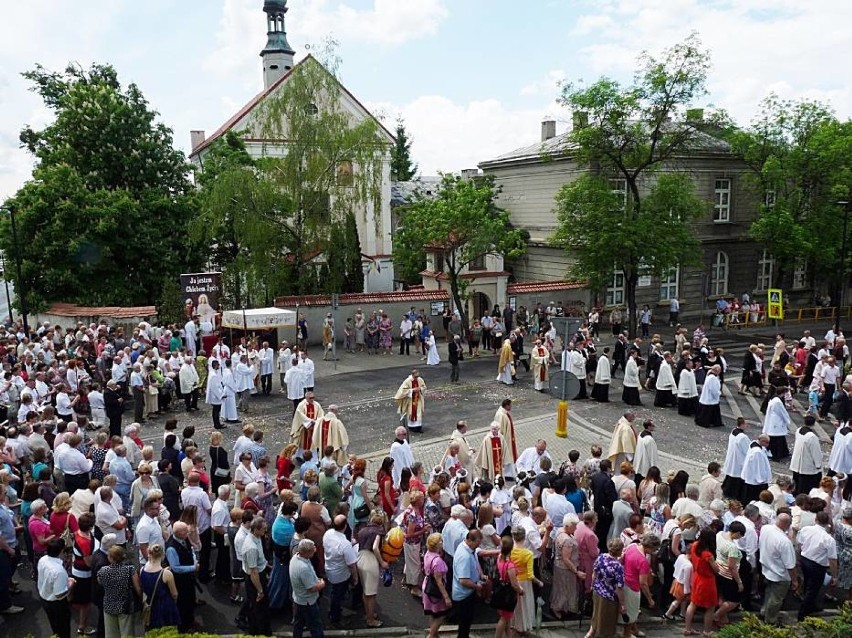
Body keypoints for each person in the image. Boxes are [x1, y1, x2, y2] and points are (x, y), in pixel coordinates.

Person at [797, 510, 838, 621]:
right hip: (817, 565)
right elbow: (832, 559)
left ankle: (810, 605)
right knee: (813, 589)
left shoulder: (805, 529)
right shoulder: (829, 539)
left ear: (815, 519)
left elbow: (800, 544)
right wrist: (834, 576)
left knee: (807, 584)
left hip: (805, 559)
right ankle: (802, 613)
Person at [759, 513, 797, 625]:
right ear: (787, 525)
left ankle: (764, 612)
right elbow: (790, 565)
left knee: (768, 593)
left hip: (766, 568)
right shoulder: (785, 542)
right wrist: (794, 580)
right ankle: (771, 621)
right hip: (779, 575)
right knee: (776, 599)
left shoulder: (766, 528)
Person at [98, 545, 141, 638]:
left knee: (110, 634)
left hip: (108, 605)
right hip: (125, 605)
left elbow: (100, 582)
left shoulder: (103, 571)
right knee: (127, 633)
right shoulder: (129, 569)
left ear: (111, 558)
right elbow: (137, 588)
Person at [682, 527, 718, 637]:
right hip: (707, 581)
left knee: (693, 603)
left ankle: (687, 628)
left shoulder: (695, 545)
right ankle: (707, 631)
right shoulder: (708, 555)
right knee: (710, 607)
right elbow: (716, 569)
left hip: (697, 577)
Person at [622, 533, 659, 638]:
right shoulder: (643, 561)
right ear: (650, 547)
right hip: (633, 587)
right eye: (654, 549)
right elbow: (643, 583)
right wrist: (650, 599)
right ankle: (627, 634)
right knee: (632, 612)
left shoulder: (632, 546)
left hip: (624, 581)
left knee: (630, 610)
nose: (654, 552)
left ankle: (634, 629)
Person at [587, 538, 626, 638]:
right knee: (608, 621)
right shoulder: (618, 567)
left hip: (597, 591)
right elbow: (619, 588)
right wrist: (622, 604)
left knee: (596, 614)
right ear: (620, 551)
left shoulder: (601, 557)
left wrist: (592, 585)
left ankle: (590, 634)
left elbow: (594, 573)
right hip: (609, 597)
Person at [39, 538, 76, 638]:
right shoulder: (58, 571)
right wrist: (71, 584)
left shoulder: (43, 559)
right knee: (63, 629)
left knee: (55, 626)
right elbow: (59, 594)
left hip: (44, 597)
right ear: (61, 551)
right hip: (57, 604)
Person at [356, 511, 387, 629]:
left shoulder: (363, 530)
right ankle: (371, 619)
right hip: (370, 560)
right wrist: (382, 562)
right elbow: (375, 547)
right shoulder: (378, 531)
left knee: (365, 591)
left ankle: (368, 613)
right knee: (372, 593)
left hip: (360, 557)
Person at [165, 521, 198, 633]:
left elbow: (191, 550)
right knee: (182, 603)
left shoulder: (184, 539)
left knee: (190, 599)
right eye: (185, 531)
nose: (188, 533)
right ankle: (184, 626)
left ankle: (190, 620)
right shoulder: (171, 548)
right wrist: (193, 568)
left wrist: (194, 559)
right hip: (180, 580)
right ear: (178, 533)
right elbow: (175, 568)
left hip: (188, 578)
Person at [290, 538, 326, 638]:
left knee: (298, 624)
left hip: (298, 599)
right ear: (306, 552)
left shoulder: (295, 558)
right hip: (307, 601)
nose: (315, 550)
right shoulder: (303, 568)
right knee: (315, 625)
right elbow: (311, 588)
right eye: (312, 550)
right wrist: (322, 584)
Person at [551, 513, 584, 620]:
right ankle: (557, 608)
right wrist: (576, 571)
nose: (576, 528)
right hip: (565, 569)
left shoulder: (559, 531)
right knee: (564, 589)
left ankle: (562, 607)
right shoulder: (567, 540)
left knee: (561, 588)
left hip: (558, 565)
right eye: (574, 525)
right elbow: (566, 559)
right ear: (568, 525)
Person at [140, 543, 180, 631]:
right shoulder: (167, 574)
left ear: (149, 554)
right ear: (162, 555)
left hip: (150, 604)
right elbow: (174, 594)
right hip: (165, 607)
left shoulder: (142, 570)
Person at [451, 529, 484, 638]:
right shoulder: (464, 557)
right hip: (464, 595)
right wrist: (477, 587)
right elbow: (463, 580)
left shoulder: (468, 547)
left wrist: (481, 574)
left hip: (468, 592)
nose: (478, 546)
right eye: (477, 544)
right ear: (470, 540)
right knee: (464, 622)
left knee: (467, 621)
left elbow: (475, 559)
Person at [422, 532, 452, 638]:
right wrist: (446, 597)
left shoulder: (427, 554)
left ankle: (434, 635)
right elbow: (439, 581)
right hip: (436, 590)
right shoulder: (438, 561)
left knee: (432, 612)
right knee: (442, 614)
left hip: (427, 586)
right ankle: (431, 635)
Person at [790, 415, 823, 495]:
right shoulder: (812, 437)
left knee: (797, 483)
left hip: (797, 462)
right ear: (814, 424)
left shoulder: (798, 430)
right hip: (807, 465)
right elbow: (816, 452)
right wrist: (818, 464)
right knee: (805, 486)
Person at [721, 418, 750, 502]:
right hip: (739, 460)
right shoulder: (742, 437)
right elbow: (747, 449)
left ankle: (727, 491)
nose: (747, 425)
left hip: (733, 458)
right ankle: (735, 495)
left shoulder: (734, 431)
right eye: (746, 424)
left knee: (730, 475)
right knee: (736, 478)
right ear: (742, 424)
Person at [762, 386, 791, 461]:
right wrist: (787, 420)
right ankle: (777, 455)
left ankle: (783, 453)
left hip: (773, 421)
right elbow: (781, 412)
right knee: (777, 440)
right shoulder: (777, 401)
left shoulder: (773, 399)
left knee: (778, 439)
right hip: (776, 423)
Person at [741, 435, 772, 505]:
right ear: (762, 441)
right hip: (755, 481)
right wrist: (761, 479)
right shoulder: (757, 452)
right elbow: (758, 467)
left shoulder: (754, 444)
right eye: (767, 442)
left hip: (750, 477)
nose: (768, 444)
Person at [632, 420, 658, 486]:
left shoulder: (641, 434)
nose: (654, 426)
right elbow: (652, 455)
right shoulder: (649, 440)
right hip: (645, 466)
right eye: (653, 425)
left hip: (638, 464)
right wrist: (653, 468)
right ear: (648, 427)